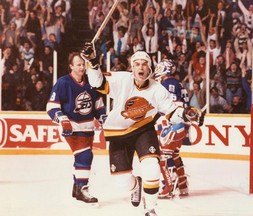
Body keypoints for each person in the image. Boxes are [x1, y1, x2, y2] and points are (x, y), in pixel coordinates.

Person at [81, 43, 203, 216]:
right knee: (122, 181)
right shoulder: (122, 79)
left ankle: (150, 208)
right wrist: (92, 61)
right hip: (118, 133)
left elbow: (171, 111)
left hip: (143, 129)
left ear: (149, 68)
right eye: (137, 63)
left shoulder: (158, 89)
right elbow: (97, 82)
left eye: (144, 64)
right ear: (132, 68)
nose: (141, 67)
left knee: (152, 166)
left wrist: (186, 114)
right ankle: (136, 186)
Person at [46, 52, 106, 205]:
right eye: (78, 64)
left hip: (88, 129)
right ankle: (82, 188)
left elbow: (98, 106)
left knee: (82, 158)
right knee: (85, 156)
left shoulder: (91, 83)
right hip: (71, 128)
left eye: (83, 64)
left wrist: (104, 119)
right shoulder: (63, 82)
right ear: (71, 66)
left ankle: (76, 186)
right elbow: (51, 107)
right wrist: (62, 119)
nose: (81, 67)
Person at [154, 59, 201, 198]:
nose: (157, 70)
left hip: (175, 124)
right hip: (182, 125)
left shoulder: (168, 83)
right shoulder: (177, 83)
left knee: (163, 155)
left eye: (160, 67)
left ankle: (168, 186)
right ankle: (182, 185)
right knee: (174, 153)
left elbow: (174, 106)